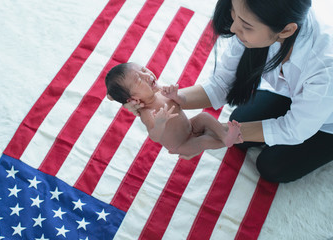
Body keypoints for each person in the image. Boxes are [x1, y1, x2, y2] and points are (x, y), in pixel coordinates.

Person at [125, 0, 333, 183]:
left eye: (246, 26)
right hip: (293, 94)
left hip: (327, 120)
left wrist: (216, 134)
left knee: (271, 167)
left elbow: (294, 129)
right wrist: (156, 100)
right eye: (234, 14)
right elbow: (221, 85)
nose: (233, 28)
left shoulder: (325, 68)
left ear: (286, 30)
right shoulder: (256, 22)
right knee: (240, 120)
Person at [105, 62, 243, 159]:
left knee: (204, 116)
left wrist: (176, 96)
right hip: (182, 144)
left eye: (144, 70)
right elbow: (154, 136)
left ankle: (224, 135)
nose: (147, 75)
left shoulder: (160, 91)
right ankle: (226, 142)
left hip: (190, 126)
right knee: (204, 141)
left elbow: (182, 103)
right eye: (139, 79)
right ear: (132, 99)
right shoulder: (147, 112)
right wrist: (159, 123)